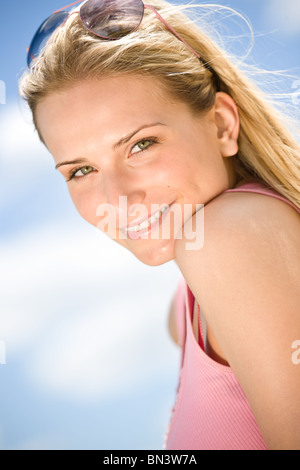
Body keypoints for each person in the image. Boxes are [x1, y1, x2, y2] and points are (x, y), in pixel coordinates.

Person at [19, 0, 300, 450]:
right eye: (80, 170)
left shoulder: (230, 238)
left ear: (223, 125)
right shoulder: (190, 302)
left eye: (141, 144)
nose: (119, 199)